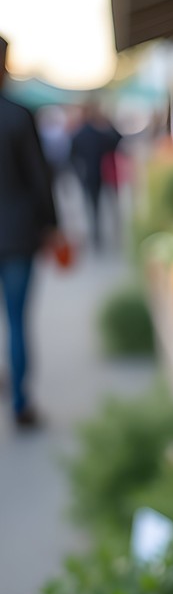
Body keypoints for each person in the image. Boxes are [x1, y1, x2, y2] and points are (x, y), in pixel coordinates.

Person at [0, 34, 64, 428]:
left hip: (19, 234)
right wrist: (53, 226)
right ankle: (22, 402)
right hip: (19, 235)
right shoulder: (19, 116)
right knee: (17, 321)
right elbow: (41, 180)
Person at [69, 100, 121, 251]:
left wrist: (79, 173)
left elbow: (71, 157)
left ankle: (97, 234)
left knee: (94, 206)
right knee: (103, 204)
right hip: (99, 174)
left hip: (92, 175)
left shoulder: (81, 133)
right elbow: (117, 140)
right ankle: (100, 234)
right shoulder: (96, 132)